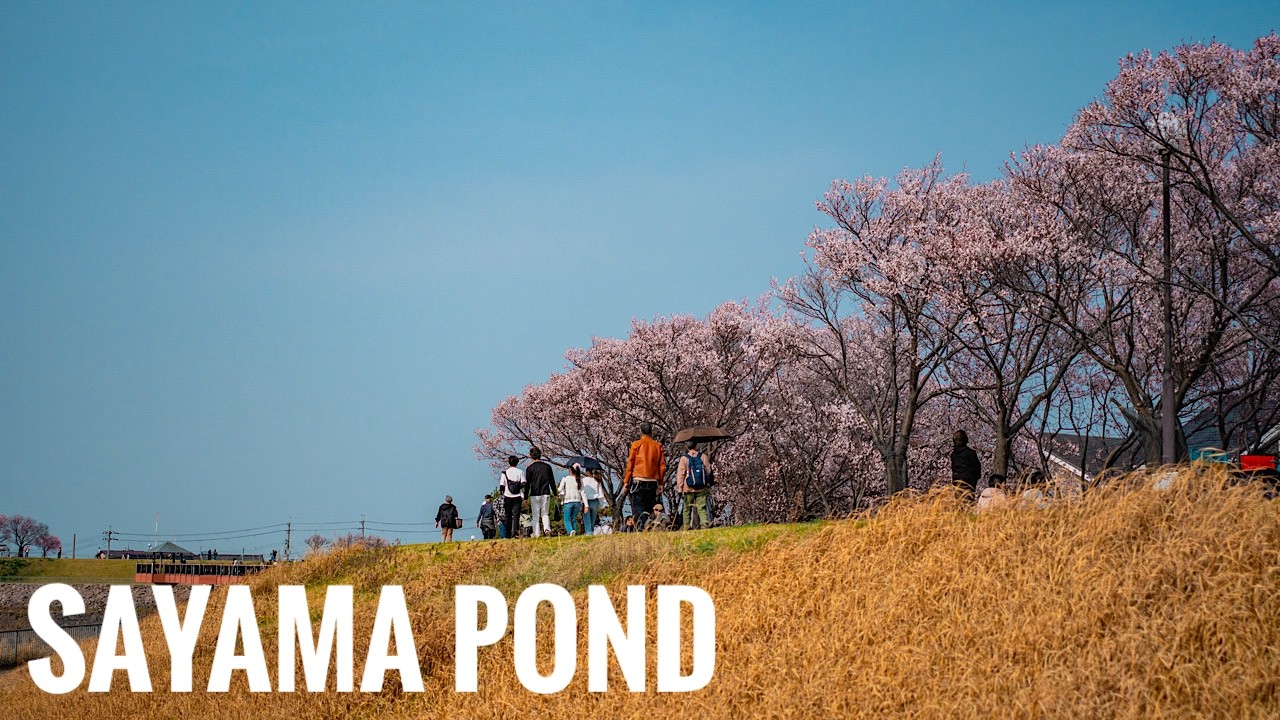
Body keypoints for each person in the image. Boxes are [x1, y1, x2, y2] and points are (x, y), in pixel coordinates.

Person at [622, 422, 666, 526]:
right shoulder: (658, 446)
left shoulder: (636, 444)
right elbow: (662, 466)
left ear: (640, 432)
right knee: (649, 505)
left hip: (639, 479)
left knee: (639, 505)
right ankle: (647, 524)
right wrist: (661, 482)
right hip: (653, 480)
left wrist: (626, 481)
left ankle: (646, 523)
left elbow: (630, 464)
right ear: (651, 432)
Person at [675, 441, 713, 530]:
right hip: (701, 487)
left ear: (686, 446)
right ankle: (704, 524)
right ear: (696, 445)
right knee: (701, 507)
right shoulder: (703, 456)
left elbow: (680, 474)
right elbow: (708, 471)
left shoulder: (684, 458)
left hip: (688, 488)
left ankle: (687, 526)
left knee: (687, 508)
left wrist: (680, 488)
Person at [525, 446, 558, 537]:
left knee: (535, 515)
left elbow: (527, 484)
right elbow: (552, 481)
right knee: (545, 513)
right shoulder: (547, 467)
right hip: (545, 493)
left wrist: (525, 497)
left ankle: (537, 533)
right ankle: (547, 529)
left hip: (534, 494)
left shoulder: (529, 469)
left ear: (531, 456)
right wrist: (555, 493)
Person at [498, 455, 525, 539]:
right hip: (517, 496)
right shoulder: (520, 472)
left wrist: (501, 494)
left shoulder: (505, 473)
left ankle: (507, 535)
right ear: (517, 462)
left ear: (509, 462)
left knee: (508, 516)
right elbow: (524, 483)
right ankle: (515, 534)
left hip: (507, 496)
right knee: (516, 516)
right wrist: (517, 487)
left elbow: (502, 486)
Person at [950, 430, 981, 500]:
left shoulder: (953, 454)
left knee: (958, 503)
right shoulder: (970, 453)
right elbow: (976, 467)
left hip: (957, 481)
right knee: (968, 502)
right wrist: (975, 478)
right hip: (968, 482)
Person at [558, 464, 585, 536]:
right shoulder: (579, 479)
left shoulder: (565, 479)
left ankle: (570, 531)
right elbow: (582, 492)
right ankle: (574, 532)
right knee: (573, 519)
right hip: (577, 501)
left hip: (568, 501)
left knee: (566, 519)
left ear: (570, 470)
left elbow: (559, 489)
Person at [581, 468, 604, 536]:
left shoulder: (583, 480)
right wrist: (602, 505)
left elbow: (581, 491)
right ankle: (591, 531)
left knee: (587, 519)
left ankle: (589, 533)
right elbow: (601, 493)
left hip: (586, 501)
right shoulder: (597, 480)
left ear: (587, 472)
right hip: (595, 501)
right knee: (593, 519)